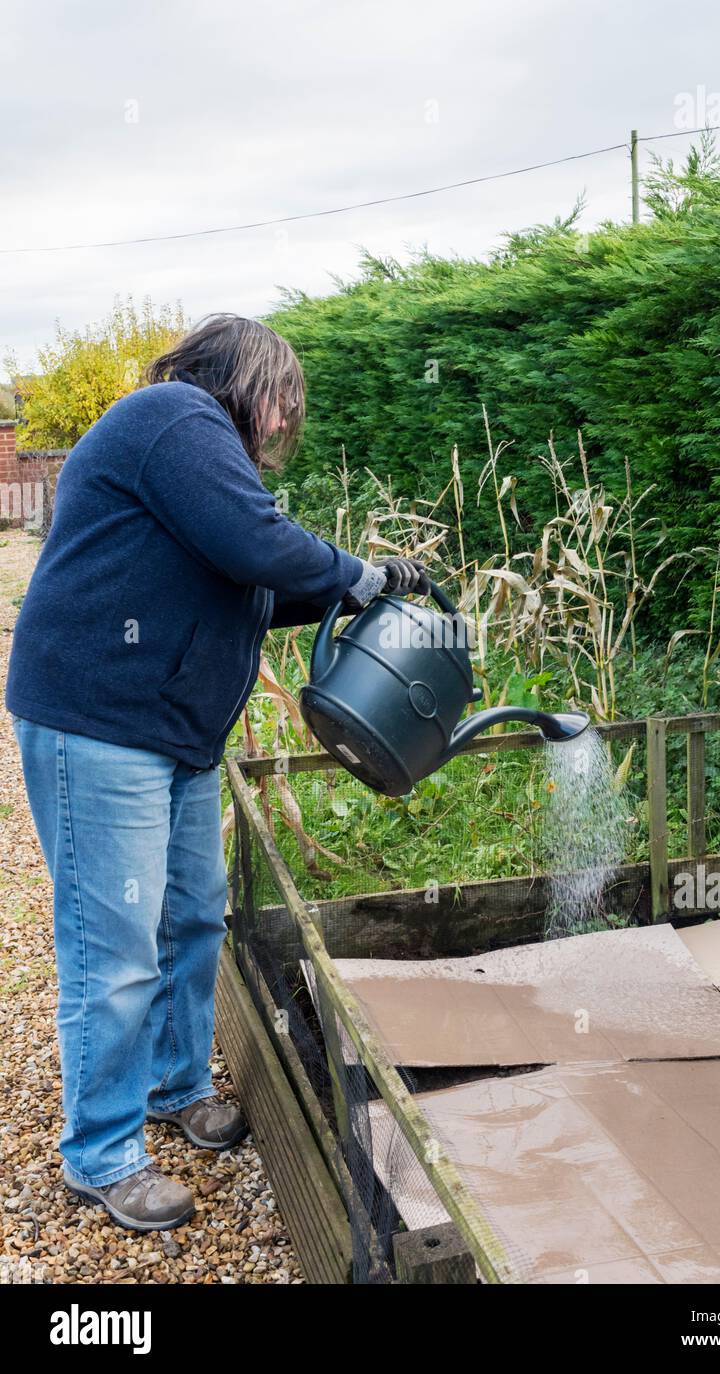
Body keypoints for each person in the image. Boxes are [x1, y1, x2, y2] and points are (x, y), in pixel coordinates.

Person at [5, 313, 428, 1232]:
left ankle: (173, 1085)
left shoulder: (191, 456)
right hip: (100, 722)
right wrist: (355, 571)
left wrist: (375, 580)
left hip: (175, 735)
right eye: (284, 405)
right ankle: (102, 1155)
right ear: (249, 381)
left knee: (190, 917)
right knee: (112, 947)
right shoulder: (176, 417)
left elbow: (263, 585)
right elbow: (258, 545)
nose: (283, 427)